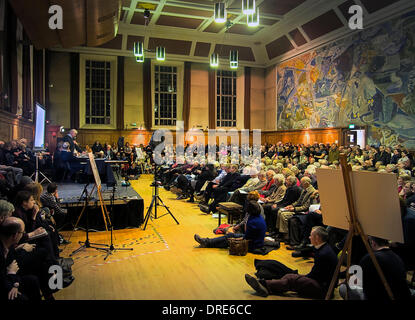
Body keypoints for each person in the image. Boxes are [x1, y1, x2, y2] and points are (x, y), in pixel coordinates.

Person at [244, 226, 338, 299]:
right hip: (322, 283)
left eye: (311, 235)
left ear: (317, 238)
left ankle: (263, 284)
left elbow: (315, 275)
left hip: (323, 289)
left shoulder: (323, 253)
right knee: (289, 276)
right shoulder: (324, 248)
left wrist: (301, 277)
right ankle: (268, 287)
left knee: (292, 280)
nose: (309, 237)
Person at [340, 236, 411, 300]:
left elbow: (354, 282)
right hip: (400, 296)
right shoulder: (397, 257)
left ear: (372, 242)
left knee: (343, 288)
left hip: (380, 296)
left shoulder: (369, 258)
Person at [194, 200, 266, 252]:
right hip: (257, 241)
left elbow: (247, 237)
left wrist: (235, 237)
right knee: (229, 237)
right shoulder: (258, 217)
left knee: (228, 238)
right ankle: (207, 242)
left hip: (253, 244)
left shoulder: (252, 221)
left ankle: (207, 242)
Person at [0, 217, 41, 301]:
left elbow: (14, 268)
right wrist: (13, 284)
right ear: (15, 235)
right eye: (22, 232)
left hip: (10, 280)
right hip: (4, 284)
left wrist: (15, 282)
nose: (23, 234)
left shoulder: (9, 245)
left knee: (32, 280)